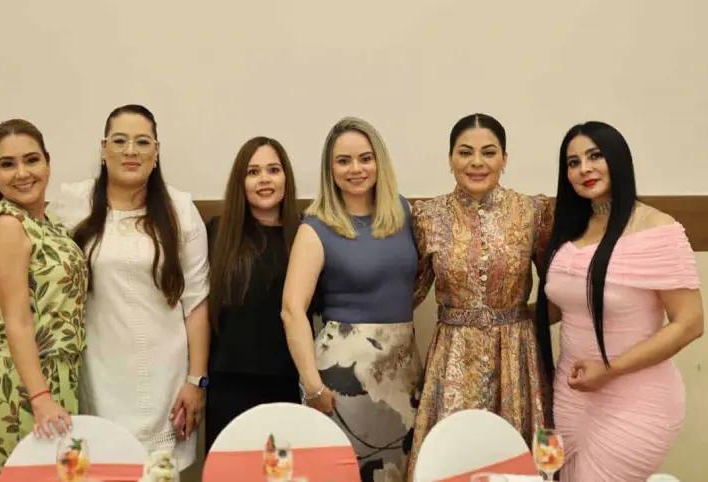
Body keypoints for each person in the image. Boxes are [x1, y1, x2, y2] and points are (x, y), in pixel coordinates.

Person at [535, 121, 704, 480]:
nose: (584, 169)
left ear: (619, 159)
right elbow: (563, 305)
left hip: (637, 398)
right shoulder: (571, 230)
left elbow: (690, 323)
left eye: (595, 156)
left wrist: (610, 370)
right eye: (573, 162)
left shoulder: (658, 229)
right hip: (570, 393)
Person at [49, 104, 209, 469]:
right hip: (98, 373)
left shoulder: (181, 209)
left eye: (142, 142)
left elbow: (197, 302)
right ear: (103, 149)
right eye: (120, 141)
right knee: (99, 468)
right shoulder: (73, 204)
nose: (131, 151)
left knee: (158, 472)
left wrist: (196, 380)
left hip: (167, 379)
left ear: (157, 151)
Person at [406, 113, 554, 480]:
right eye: (465, 152)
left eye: (488, 152)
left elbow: (557, 286)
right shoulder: (427, 216)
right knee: (453, 457)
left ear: (505, 158)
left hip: (516, 354)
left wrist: (523, 322)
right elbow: (410, 292)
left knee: (512, 459)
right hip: (453, 353)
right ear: (450, 159)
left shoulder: (532, 211)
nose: (477, 162)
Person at [281, 117, 421, 482]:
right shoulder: (316, 227)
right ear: (330, 169)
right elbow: (292, 311)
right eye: (343, 161)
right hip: (344, 378)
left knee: (397, 473)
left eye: (365, 158)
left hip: (402, 372)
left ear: (379, 161)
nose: (356, 169)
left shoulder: (403, 212)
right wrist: (312, 385)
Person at [0, 119, 88, 481]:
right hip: (21, 388)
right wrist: (40, 397)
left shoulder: (47, 223)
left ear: (47, 163)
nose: (22, 173)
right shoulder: (7, 225)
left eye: (31, 160)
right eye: (7, 164)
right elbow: (17, 320)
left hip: (59, 381)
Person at [204, 136, 318, 452]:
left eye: (273, 170)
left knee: (285, 470)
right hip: (228, 383)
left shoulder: (307, 234)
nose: (264, 179)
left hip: (289, 381)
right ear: (240, 182)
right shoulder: (217, 232)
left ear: (286, 178)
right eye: (253, 172)